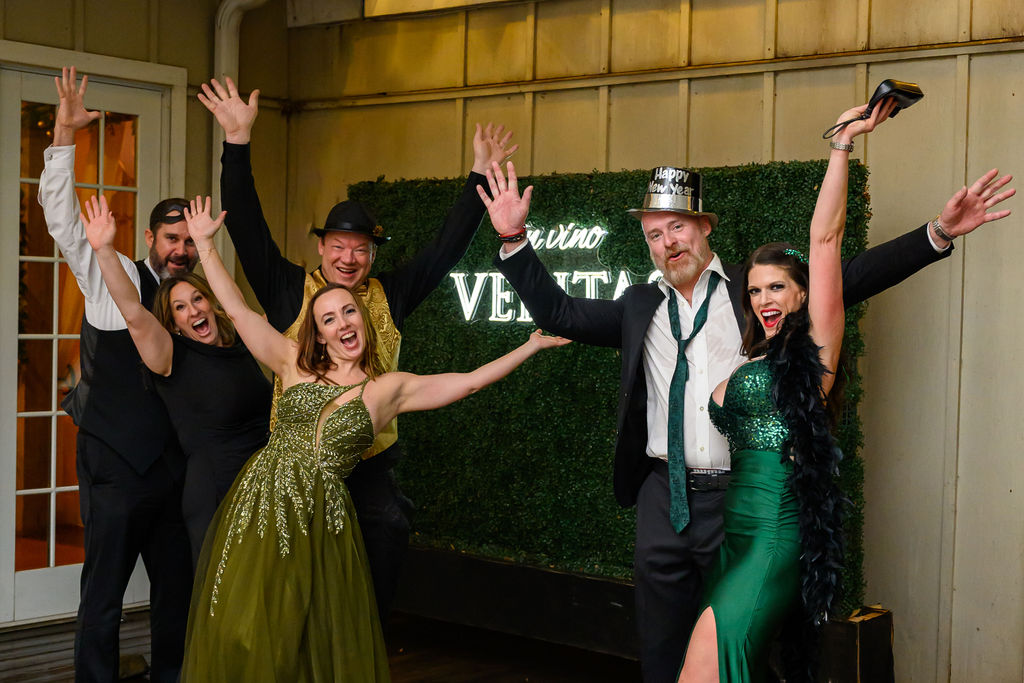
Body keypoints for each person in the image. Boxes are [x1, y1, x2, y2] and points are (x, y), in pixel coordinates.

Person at [475, 134, 1014, 681]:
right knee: (662, 651)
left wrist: (938, 233)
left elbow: (845, 277)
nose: (667, 242)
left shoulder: (753, 290)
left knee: (742, 648)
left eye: (677, 227)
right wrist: (513, 238)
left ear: (704, 226)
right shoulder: (638, 305)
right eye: (654, 234)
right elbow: (561, 314)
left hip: (740, 500)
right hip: (661, 498)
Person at [174, 196, 568, 681]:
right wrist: (205, 246)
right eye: (329, 319)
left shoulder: (386, 390)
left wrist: (530, 346)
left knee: (313, 628)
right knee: (249, 622)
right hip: (264, 502)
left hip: (324, 517)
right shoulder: (293, 365)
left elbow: (468, 382)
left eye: (349, 312)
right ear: (318, 334)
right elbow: (237, 310)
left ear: (363, 317)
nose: (342, 322)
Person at [197, 76, 517, 620]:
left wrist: (479, 176)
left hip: (367, 461)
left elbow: (444, 250)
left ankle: (366, 633)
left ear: (373, 254)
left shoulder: (391, 294)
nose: (349, 258)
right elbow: (247, 226)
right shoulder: (286, 288)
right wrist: (236, 143)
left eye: (361, 249)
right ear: (322, 247)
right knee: (289, 578)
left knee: (388, 527)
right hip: (298, 462)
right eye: (339, 246)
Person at [675, 101, 906, 682]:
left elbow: (824, 240)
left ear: (803, 294)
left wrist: (842, 144)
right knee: (727, 667)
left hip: (774, 537)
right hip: (734, 535)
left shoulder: (816, 354)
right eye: (755, 291)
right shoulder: (755, 358)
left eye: (777, 287)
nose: (764, 300)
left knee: (707, 665)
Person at [39, 67, 195, 683]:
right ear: (151, 237)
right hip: (114, 466)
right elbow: (63, 224)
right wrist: (64, 135)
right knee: (102, 598)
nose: (181, 249)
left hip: (173, 469)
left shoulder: (199, 302)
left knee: (176, 594)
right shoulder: (114, 275)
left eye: (190, 240)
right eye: (172, 238)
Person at [79, 194, 272, 568]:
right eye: (180, 308)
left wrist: (206, 243)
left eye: (198, 299)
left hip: (262, 485)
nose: (193, 310)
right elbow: (133, 312)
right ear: (173, 324)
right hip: (217, 491)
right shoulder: (172, 357)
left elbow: (238, 308)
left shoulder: (240, 342)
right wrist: (104, 251)